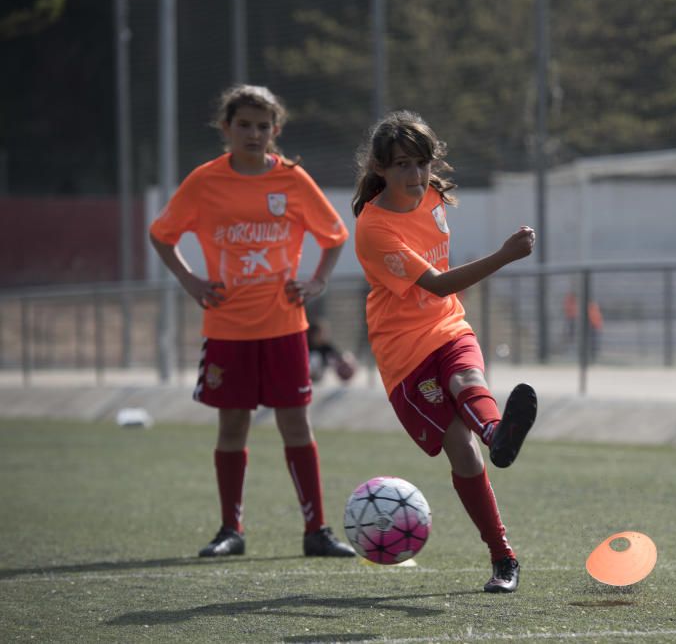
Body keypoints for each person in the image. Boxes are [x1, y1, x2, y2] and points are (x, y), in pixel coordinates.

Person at [148, 84, 356, 560]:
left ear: (276, 131)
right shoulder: (204, 181)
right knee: (233, 427)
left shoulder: (293, 180)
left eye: (264, 126)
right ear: (226, 128)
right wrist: (190, 281)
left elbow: (335, 234)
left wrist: (318, 281)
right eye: (244, 124)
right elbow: (162, 234)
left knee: (296, 426)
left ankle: (316, 531)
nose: (254, 133)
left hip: (285, 326)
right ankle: (230, 530)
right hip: (228, 329)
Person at [352, 111, 538, 593]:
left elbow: (441, 300)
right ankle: (502, 552)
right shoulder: (374, 229)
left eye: (421, 164)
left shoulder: (433, 195)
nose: (415, 177)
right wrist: (504, 256)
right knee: (462, 451)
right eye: (401, 167)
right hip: (404, 354)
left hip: (449, 327)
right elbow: (434, 285)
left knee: (468, 382)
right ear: (378, 168)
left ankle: (499, 433)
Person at [306, 319, 357, 384]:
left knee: (346, 356)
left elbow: (339, 355)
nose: (323, 335)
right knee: (315, 357)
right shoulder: (306, 345)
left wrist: (347, 361)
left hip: (320, 374)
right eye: (321, 333)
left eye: (324, 333)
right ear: (313, 334)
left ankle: (345, 374)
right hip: (307, 372)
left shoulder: (326, 346)